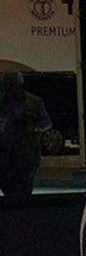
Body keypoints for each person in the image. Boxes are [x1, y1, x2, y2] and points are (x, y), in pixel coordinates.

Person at [0, 71, 52, 200]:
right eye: (5, 85)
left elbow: (47, 123)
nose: (7, 88)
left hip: (26, 154)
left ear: (20, 85)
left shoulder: (34, 102)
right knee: (7, 187)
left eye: (11, 85)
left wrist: (33, 127)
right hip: (4, 155)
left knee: (24, 188)